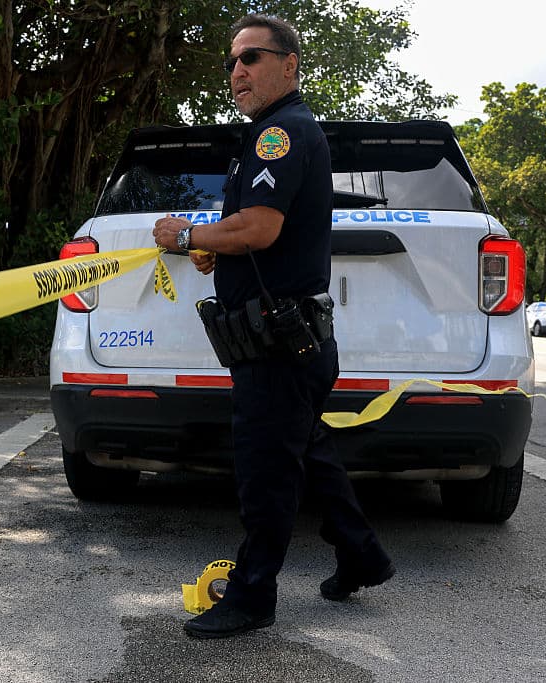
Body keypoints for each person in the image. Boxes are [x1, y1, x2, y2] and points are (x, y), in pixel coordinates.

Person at [152, 13, 394, 639]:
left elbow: (259, 227)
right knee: (305, 454)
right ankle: (363, 555)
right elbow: (255, 237)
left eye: (252, 57)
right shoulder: (272, 132)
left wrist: (185, 236)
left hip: (278, 346)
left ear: (288, 65)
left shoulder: (280, 134)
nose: (237, 71)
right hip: (289, 342)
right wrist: (214, 244)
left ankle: (252, 596)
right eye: (232, 61)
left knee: (266, 471)